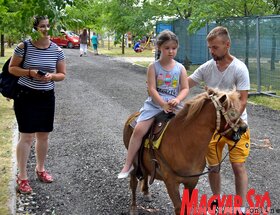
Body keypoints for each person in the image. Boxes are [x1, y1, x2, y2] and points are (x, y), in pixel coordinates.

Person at [188, 26, 250, 215]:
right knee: (213, 168)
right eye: (210, 48)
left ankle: (241, 207)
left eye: (215, 47)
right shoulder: (207, 68)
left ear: (227, 45)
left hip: (234, 126)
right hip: (213, 129)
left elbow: (243, 101)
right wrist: (165, 82)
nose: (211, 51)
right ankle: (216, 204)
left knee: (238, 166)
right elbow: (186, 83)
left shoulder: (239, 68)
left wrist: (229, 123)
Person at [118, 30, 189, 179]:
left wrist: (177, 99)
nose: (171, 51)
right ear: (159, 48)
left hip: (175, 104)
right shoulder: (153, 67)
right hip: (155, 105)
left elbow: (185, 88)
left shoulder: (180, 68)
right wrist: (162, 104)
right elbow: (151, 89)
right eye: (167, 48)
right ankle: (128, 163)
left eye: (174, 48)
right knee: (138, 130)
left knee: (190, 127)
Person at [9, 15, 66, 194]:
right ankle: (22, 177)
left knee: (43, 136)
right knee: (26, 137)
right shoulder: (23, 46)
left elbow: (62, 74)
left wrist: (51, 76)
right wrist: (30, 72)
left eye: (49, 26)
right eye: (42, 26)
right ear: (35, 28)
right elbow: (12, 68)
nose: (46, 29)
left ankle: (40, 169)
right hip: (25, 96)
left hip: (46, 96)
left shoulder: (57, 50)